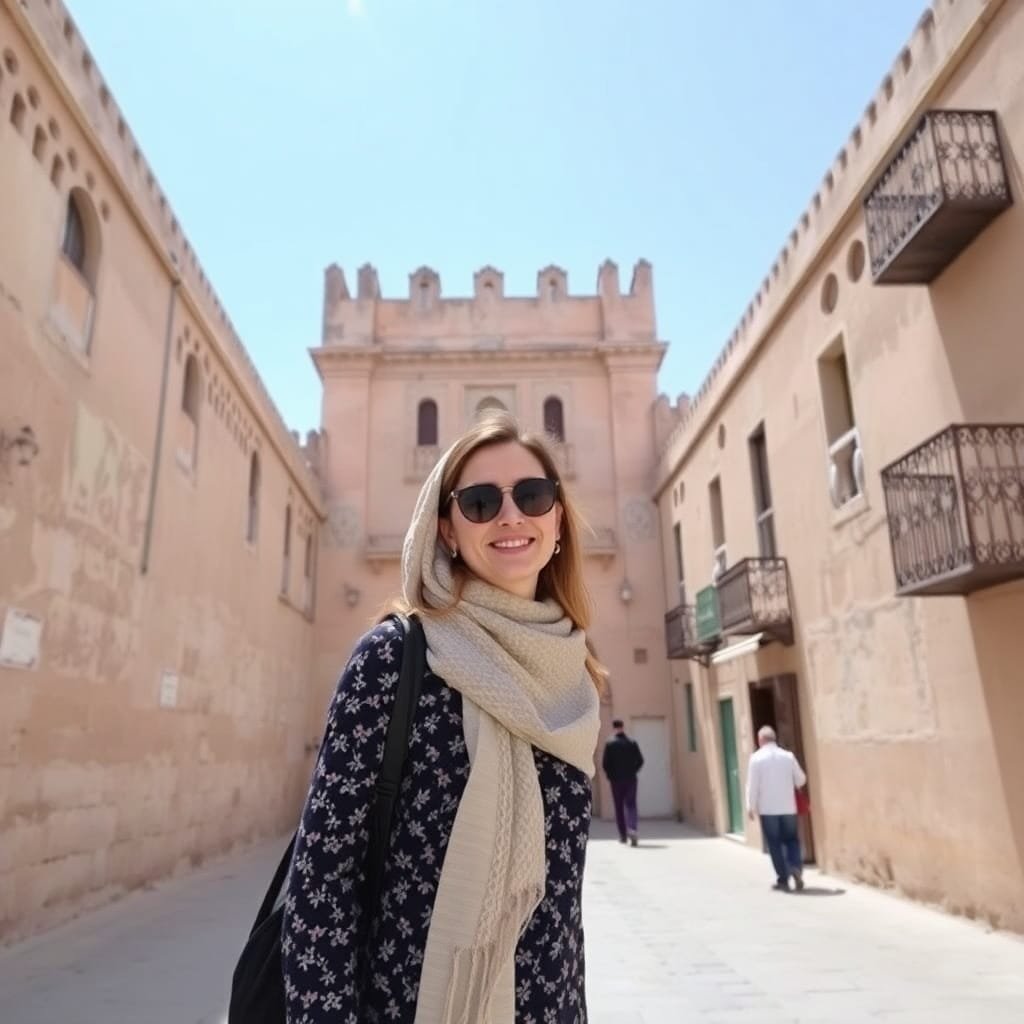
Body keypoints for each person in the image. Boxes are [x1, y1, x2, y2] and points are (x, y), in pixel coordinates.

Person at [282, 412, 606, 1024]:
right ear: (448, 532)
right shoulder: (394, 660)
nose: (511, 516)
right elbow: (321, 886)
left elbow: (563, 912)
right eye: (480, 502)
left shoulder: (575, 675)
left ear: (557, 520)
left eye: (533, 496)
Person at [746, 725, 808, 892]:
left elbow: (753, 786)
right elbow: (801, 779)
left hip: (768, 810)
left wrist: (750, 807)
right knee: (792, 839)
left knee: (775, 844)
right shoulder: (788, 756)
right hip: (789, 807)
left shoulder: (756, 759)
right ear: (774, 738)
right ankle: (795, 866)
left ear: (760, 740)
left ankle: (783, 878)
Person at [601, 719, 644, 846]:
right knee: (631, 805)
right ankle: (633, 828)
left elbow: (605, 764)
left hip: (616, 781)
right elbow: (640, 760)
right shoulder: (632, 742)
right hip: (631, 779)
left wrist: (611, 776)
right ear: (623, 727)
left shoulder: (610, 744)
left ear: (614, 728)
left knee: (619, 807)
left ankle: (623, 835)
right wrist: (633, 771)